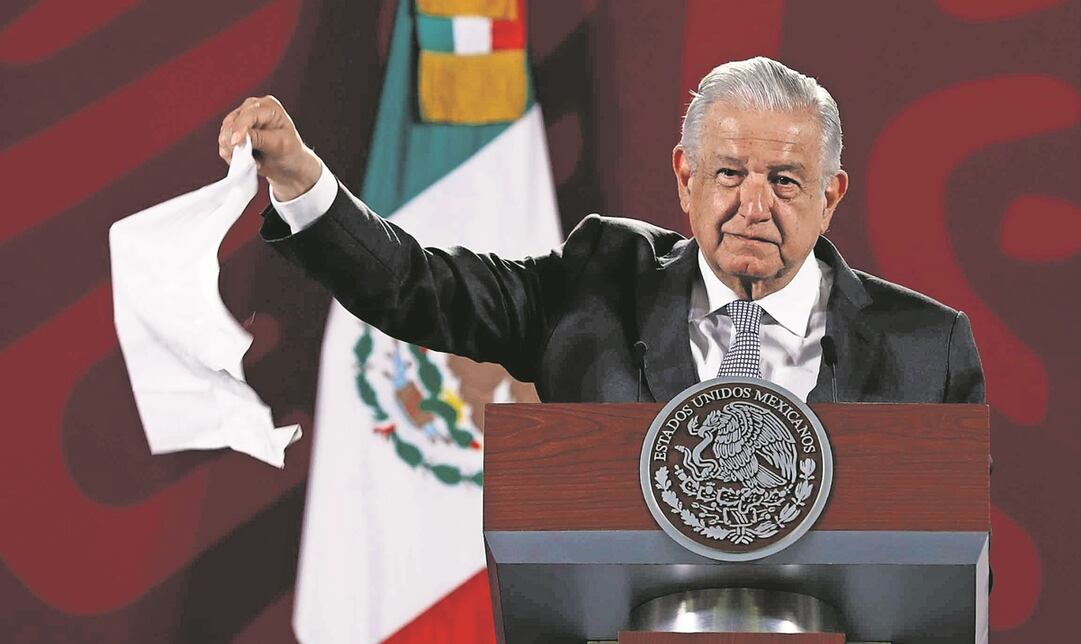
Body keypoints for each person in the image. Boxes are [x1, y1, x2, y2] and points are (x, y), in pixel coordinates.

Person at [217, 57, 984, 405]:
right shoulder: (595, 284)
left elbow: (952, 577)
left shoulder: (928, 348)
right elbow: (416, 285)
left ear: (829, 196)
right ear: (684, 178)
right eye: (728, 174)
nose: (753, 205)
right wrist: (299, 179)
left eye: (784, 181)